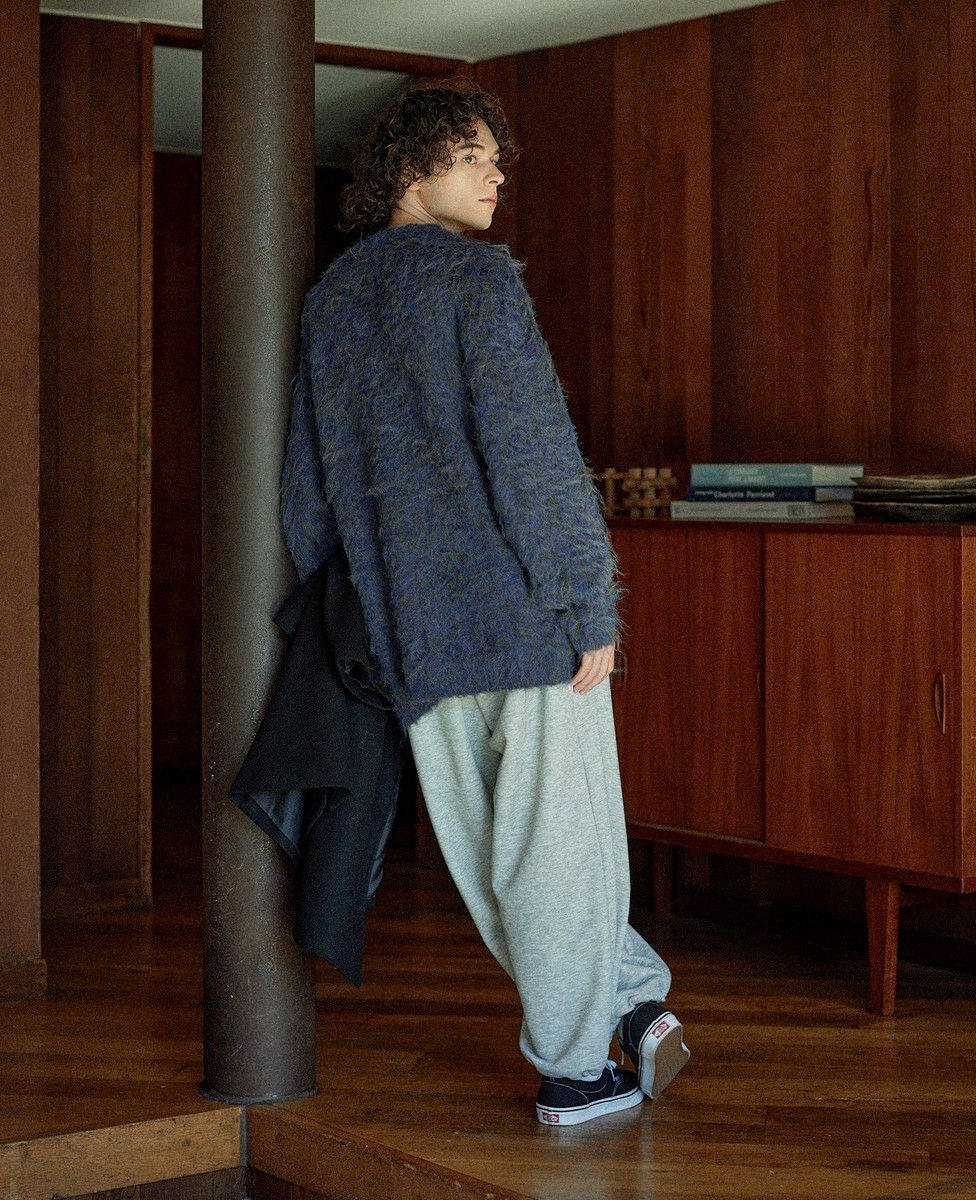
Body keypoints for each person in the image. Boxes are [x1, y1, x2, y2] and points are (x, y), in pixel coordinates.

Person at [280, 78, 690, 1127]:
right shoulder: (477, 281)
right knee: (560, 853)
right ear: (409, 168)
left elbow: (307, 498)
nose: (496, 175)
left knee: (493, 864)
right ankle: (574, 1072)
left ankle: (629, 1001)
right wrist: (587, 606)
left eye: (497, 159)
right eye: (472, 157)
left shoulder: (330, 302)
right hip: (524, 624)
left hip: (412, 640)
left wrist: (374, 608)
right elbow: (533, 456)